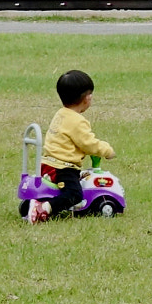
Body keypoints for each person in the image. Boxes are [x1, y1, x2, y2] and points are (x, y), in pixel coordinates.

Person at [23, 69, 116, 222]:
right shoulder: (77, 121)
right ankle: (44, 208)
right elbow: (89, 144)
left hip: (47, 164)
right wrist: (107, 151)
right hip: (63, 168)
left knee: (78, 178)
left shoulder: (61, 113)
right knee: (74, 194)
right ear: (87, 98)